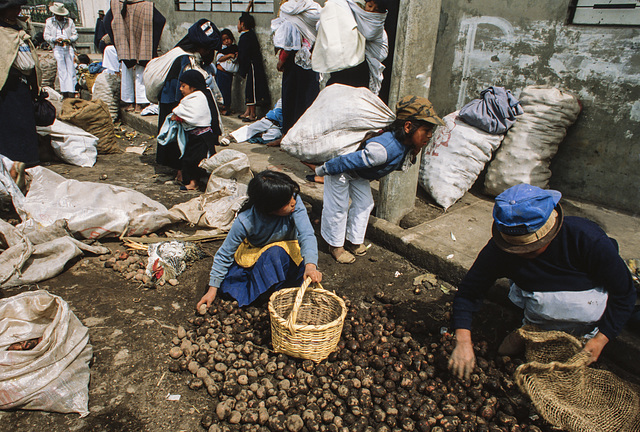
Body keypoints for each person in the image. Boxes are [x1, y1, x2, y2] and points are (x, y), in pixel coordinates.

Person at [448, 184, 637, 380]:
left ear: (549, 233)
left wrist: (600, 339)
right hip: (536, 301)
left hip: (588, 307)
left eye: (530, 249)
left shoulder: (587, 239)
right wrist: (463, 341)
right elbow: (469, 292)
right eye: (517, 250)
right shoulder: (499, 251)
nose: (522, 255)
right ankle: (530, 329)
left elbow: (624, 294)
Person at [314, 95, 443, 263]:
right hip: (341, 171)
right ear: (408, 126)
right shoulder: (382, 149)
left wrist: (415, 152)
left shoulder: (405, 145)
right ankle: (335, 246)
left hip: (358, 174)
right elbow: (347, 161)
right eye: (426, 130)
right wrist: (322, 169)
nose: (429, 136)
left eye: (431, 131)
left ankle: (353, 241)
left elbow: (399, 165)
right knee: (338, 207)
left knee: (365, 203)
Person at [197, 170, 322, 309]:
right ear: (271, 208)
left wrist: (310, 266)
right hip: (260, 258)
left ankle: (278, 290)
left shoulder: (294, 202)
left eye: (292, 197)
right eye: (287, 202)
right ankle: (269, 293)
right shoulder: (246, 221)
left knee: (286, 258)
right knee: (230, 286)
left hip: (289, 256)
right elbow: (224, 254)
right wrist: (212, 290)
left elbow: (307, 234)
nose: (293, 202)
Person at [155, 19, 222, 183]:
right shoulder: (186, 59)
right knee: (182, 137)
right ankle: (182, 171)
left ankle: (184, 171)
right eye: (208, 49)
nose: (209, 53)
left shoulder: (183, 54)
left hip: (179, 98)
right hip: (177, 100)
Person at [103, 0, 165, 113]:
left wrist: (117, 41)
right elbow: (160, 20)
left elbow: (107, 22)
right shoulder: (146, 5)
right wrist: (152, 43)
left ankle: (129, 102)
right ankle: (140, 104)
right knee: (141, 72)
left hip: (125, 44)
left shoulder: (116, 4)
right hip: (143, 43)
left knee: (127, 70)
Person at [271, 0, 321, 136]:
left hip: (294, 62)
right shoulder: (315, 9)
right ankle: (304, 137)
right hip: (310, 60)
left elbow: (288, 39)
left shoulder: (288, 9)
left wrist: (281, 60)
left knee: (291, 98)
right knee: (307, 100)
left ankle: (288, 136)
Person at [0, 0, 39, 168]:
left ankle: (28, 158)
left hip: (22, 84)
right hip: (7, 87)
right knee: (9, 124)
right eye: (13, 9)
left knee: (26, 122)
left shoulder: (20, 28)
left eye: (18, 8)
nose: (18, 11)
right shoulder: (2, 32)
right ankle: (12, 161)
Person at [168, 70, 219, 191]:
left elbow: (194, 117)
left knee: (194, 160)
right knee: (192, 159)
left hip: (202, 137)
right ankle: (196, 181)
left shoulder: (197, 98)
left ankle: (193, 183)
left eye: (183, 86)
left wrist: (178, 117)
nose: (180, 89)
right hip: (196, 137)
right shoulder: (193, 98)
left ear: (193, 86)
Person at [324, 0, 388, 95]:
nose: (371, 11)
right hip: (345, 62)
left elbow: (368, 33)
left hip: (361, 66)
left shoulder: (376, 23)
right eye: (369, 6)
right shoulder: (356, 13)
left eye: (376, 10)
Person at [237, 1, 269, 122]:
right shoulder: (248, 34)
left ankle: (252, 114)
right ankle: (248, 111)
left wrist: (243, 70)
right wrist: (249, 7)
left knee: (252, 89)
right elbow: (245, 16)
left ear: (243, 24)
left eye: (238, 23)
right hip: (249, 66)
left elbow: (244, 55)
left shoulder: (247, 37)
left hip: (252, 66)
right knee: (248, 89)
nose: (238, 25)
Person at [43, 2, 77, 98]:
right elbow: (46, 36)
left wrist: (69, 39)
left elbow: (75, 34)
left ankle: (72, 90)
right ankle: (64, 91)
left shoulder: (69, 21)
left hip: (68, 47)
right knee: (62, 69)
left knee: (71, 68)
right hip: (57, 47)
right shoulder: (49, 22)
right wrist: (54, 40)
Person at [215, 29, 238, 116]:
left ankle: (227, 107)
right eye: (224, 40)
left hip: (228, 74)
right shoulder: (221, 50)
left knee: (227, 91)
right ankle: (222, 109)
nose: (226, 41)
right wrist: (229, 55)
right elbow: (219, 59)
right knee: (221, 91)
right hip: (221, 73)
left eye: (228, 38)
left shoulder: (234, 48)